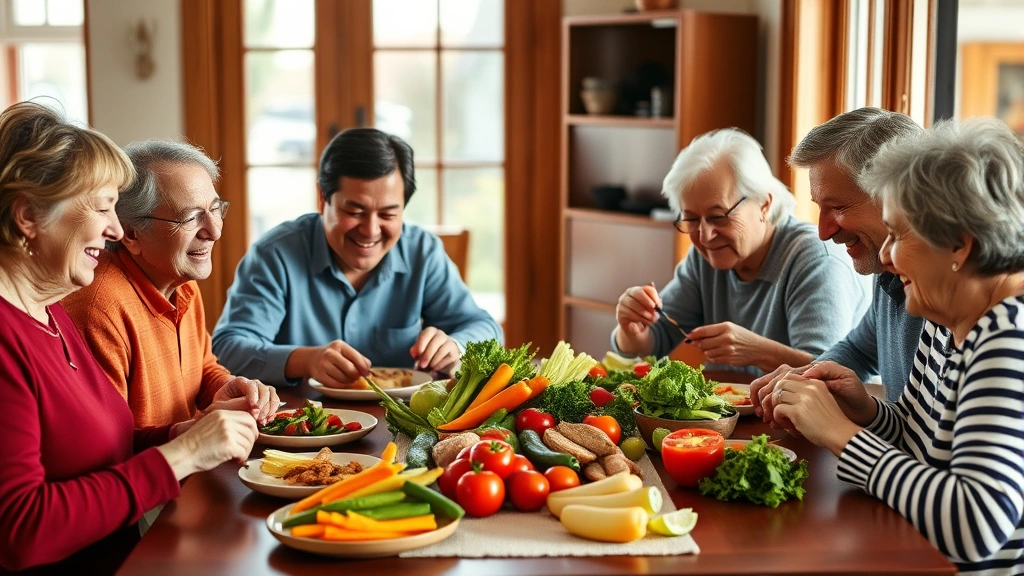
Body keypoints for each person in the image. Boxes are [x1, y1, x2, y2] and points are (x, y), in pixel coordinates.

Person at [0, 102, 257, 573]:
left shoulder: (49, 311)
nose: (115, 229)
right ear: (28, 217)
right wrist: (181, 454)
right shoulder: (11, 338)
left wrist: (183, 434)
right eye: (102, 208)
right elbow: (20, 531)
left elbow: (103, 450)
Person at [764, 118, 1024, 575]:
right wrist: (866, 411)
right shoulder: (946, 319)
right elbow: (920, 448)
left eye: (900, 235)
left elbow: (977, 524)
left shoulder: (1007, 337)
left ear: (959, 246)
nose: (887, 256)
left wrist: (841, 435)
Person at [212, 128, 502, 388]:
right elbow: (227, 349)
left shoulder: (422, 252)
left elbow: (486, 329)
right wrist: (305, 360)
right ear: (322, 199)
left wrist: (455, 345)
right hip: (304, 426)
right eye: (354, 212)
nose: (370, 231)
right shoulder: (275, 254)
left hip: (405, 423)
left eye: (388, 214)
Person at [611, 128, 869, 376]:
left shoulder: (816, 260)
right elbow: (658, 340)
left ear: (764, 204)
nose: (705, 235)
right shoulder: (706, 257)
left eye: (718, 216)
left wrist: (756, 351)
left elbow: (830, 374)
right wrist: (633, 331)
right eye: (691, 219)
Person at [62, 140, 280, 428]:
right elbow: (109, 446)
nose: (213, 231)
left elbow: (201, 370)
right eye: (190, 217)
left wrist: (229, 386)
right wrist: (194, 437)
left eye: (215, 209)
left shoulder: (179, 280)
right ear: (131, 234)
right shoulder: (98, 310)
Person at [751, 107, 926, 409]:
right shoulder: (888, 274)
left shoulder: (947, 300)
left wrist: (834, 429)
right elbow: (858, 350)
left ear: (896, 198)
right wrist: (809, 376)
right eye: (820, 207)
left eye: (839, 207)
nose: (823, 232)